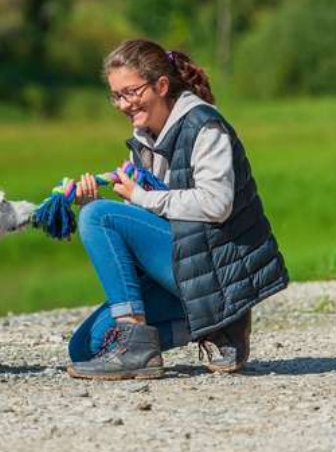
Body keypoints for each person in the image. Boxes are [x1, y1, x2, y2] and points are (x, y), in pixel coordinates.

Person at [65, 38, 288, 380]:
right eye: (116, 95)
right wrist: (96, 202)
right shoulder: (143, 141)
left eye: (131, 92)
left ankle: (139, 347)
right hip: (182, 266)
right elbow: (141, 227)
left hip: (215, 267)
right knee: (86, 348)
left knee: (99, 217)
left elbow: (217, 204)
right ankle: (210, 325)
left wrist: (136, 199)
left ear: (162, 85)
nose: (124, 104)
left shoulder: (204, 126)